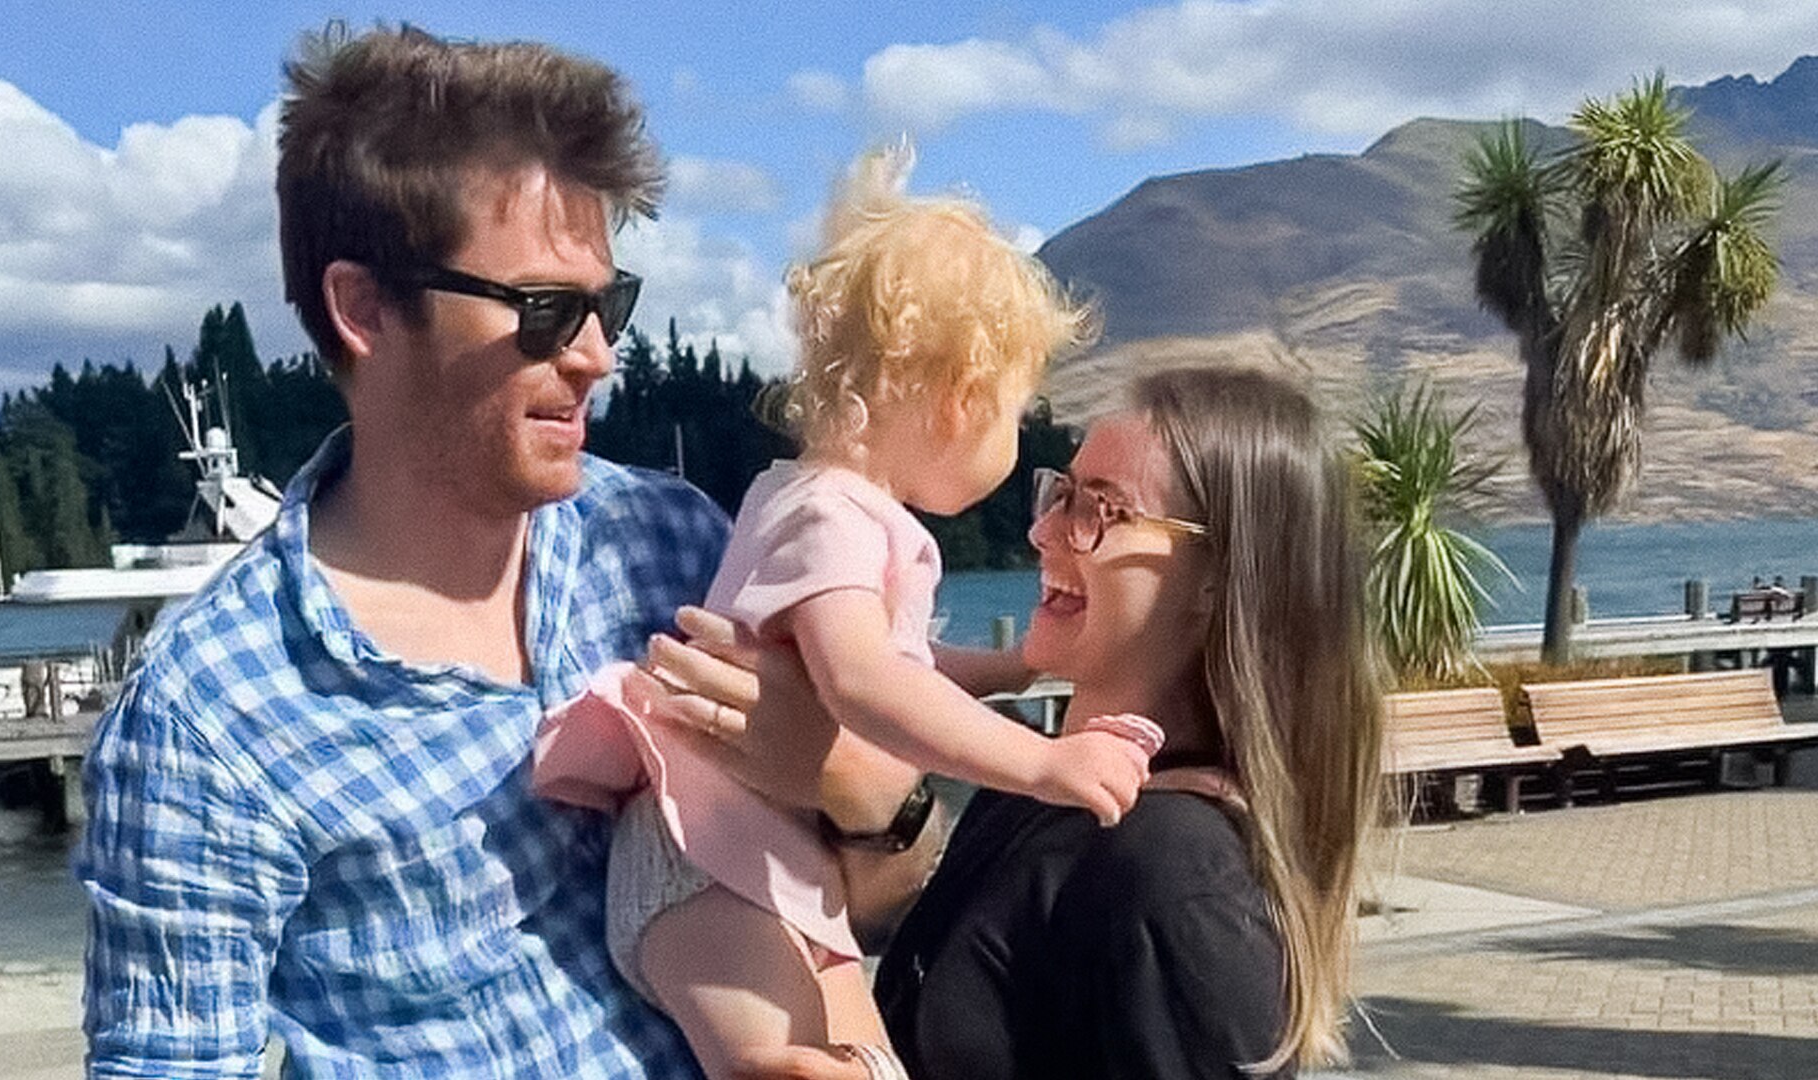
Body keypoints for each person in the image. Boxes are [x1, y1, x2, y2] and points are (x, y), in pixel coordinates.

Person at [75, 26, 724, 1077]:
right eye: (546, 310)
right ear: (364, 307)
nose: (598, 355)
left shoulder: (670, 544)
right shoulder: (214, 714)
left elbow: (872, 896)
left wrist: (862, 793)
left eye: (607, 304)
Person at [531, 147, 1158, 1080]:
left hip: (755, 865)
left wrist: (1010, 670)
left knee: (868, 1060)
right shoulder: (833, 517)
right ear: (960, 401)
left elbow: (896, 668)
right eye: (1014, 415)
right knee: (780, 1064)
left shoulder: (822, 505)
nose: (1014, 442)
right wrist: (1043, 763)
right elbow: (862, 684)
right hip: (706, 864)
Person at [636, 365, 1384, 1079]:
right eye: (1060, 494)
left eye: (1101, 510)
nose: (1043, 532)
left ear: (1219, 579)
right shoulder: (1035, 788)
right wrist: (848, 782)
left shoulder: (1177, 877)